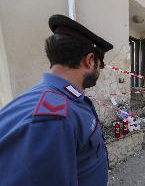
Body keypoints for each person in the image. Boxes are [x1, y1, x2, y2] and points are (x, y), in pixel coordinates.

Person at [0, 14, 113, 186]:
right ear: (90, 60)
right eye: (101, 65)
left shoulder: (63, 100)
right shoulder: (53, 119)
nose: (100, 71)